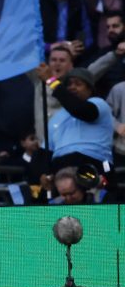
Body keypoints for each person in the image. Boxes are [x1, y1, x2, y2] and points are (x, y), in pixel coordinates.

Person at [46, 68, 116, 200]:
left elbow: (82, 111)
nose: (72, 87)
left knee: (97, 202)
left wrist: (52, 82)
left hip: (94, 165)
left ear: (90, 89)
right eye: (69, 85)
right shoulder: (56, 117)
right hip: (61, 171)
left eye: (78, 84)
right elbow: (45, 150)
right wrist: (42, 174)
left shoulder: (98, 104)